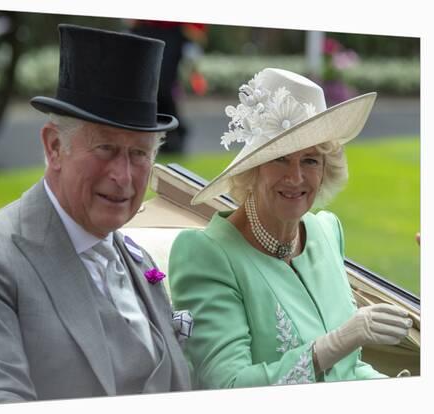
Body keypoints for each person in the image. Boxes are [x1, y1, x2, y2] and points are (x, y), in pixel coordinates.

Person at [0, 24, 191, 404]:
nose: (123, 177)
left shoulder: (136, 260)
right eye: (105, 147)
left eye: (139, 153)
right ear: (54, 147)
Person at [168, 68, 412, 388]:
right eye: (280, 158)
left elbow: (346, 372)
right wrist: (335, 343)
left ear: (326, 169)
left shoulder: (326, 232)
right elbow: (227, 386)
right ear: (252, 168)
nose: (295, 177)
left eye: (310, 160)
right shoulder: (206, 255)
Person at [130, 20, 208, 153]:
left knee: (163, 86)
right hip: (145, 28)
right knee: (146, 87)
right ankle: (158, 133)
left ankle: (174, 131)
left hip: (173, 32)